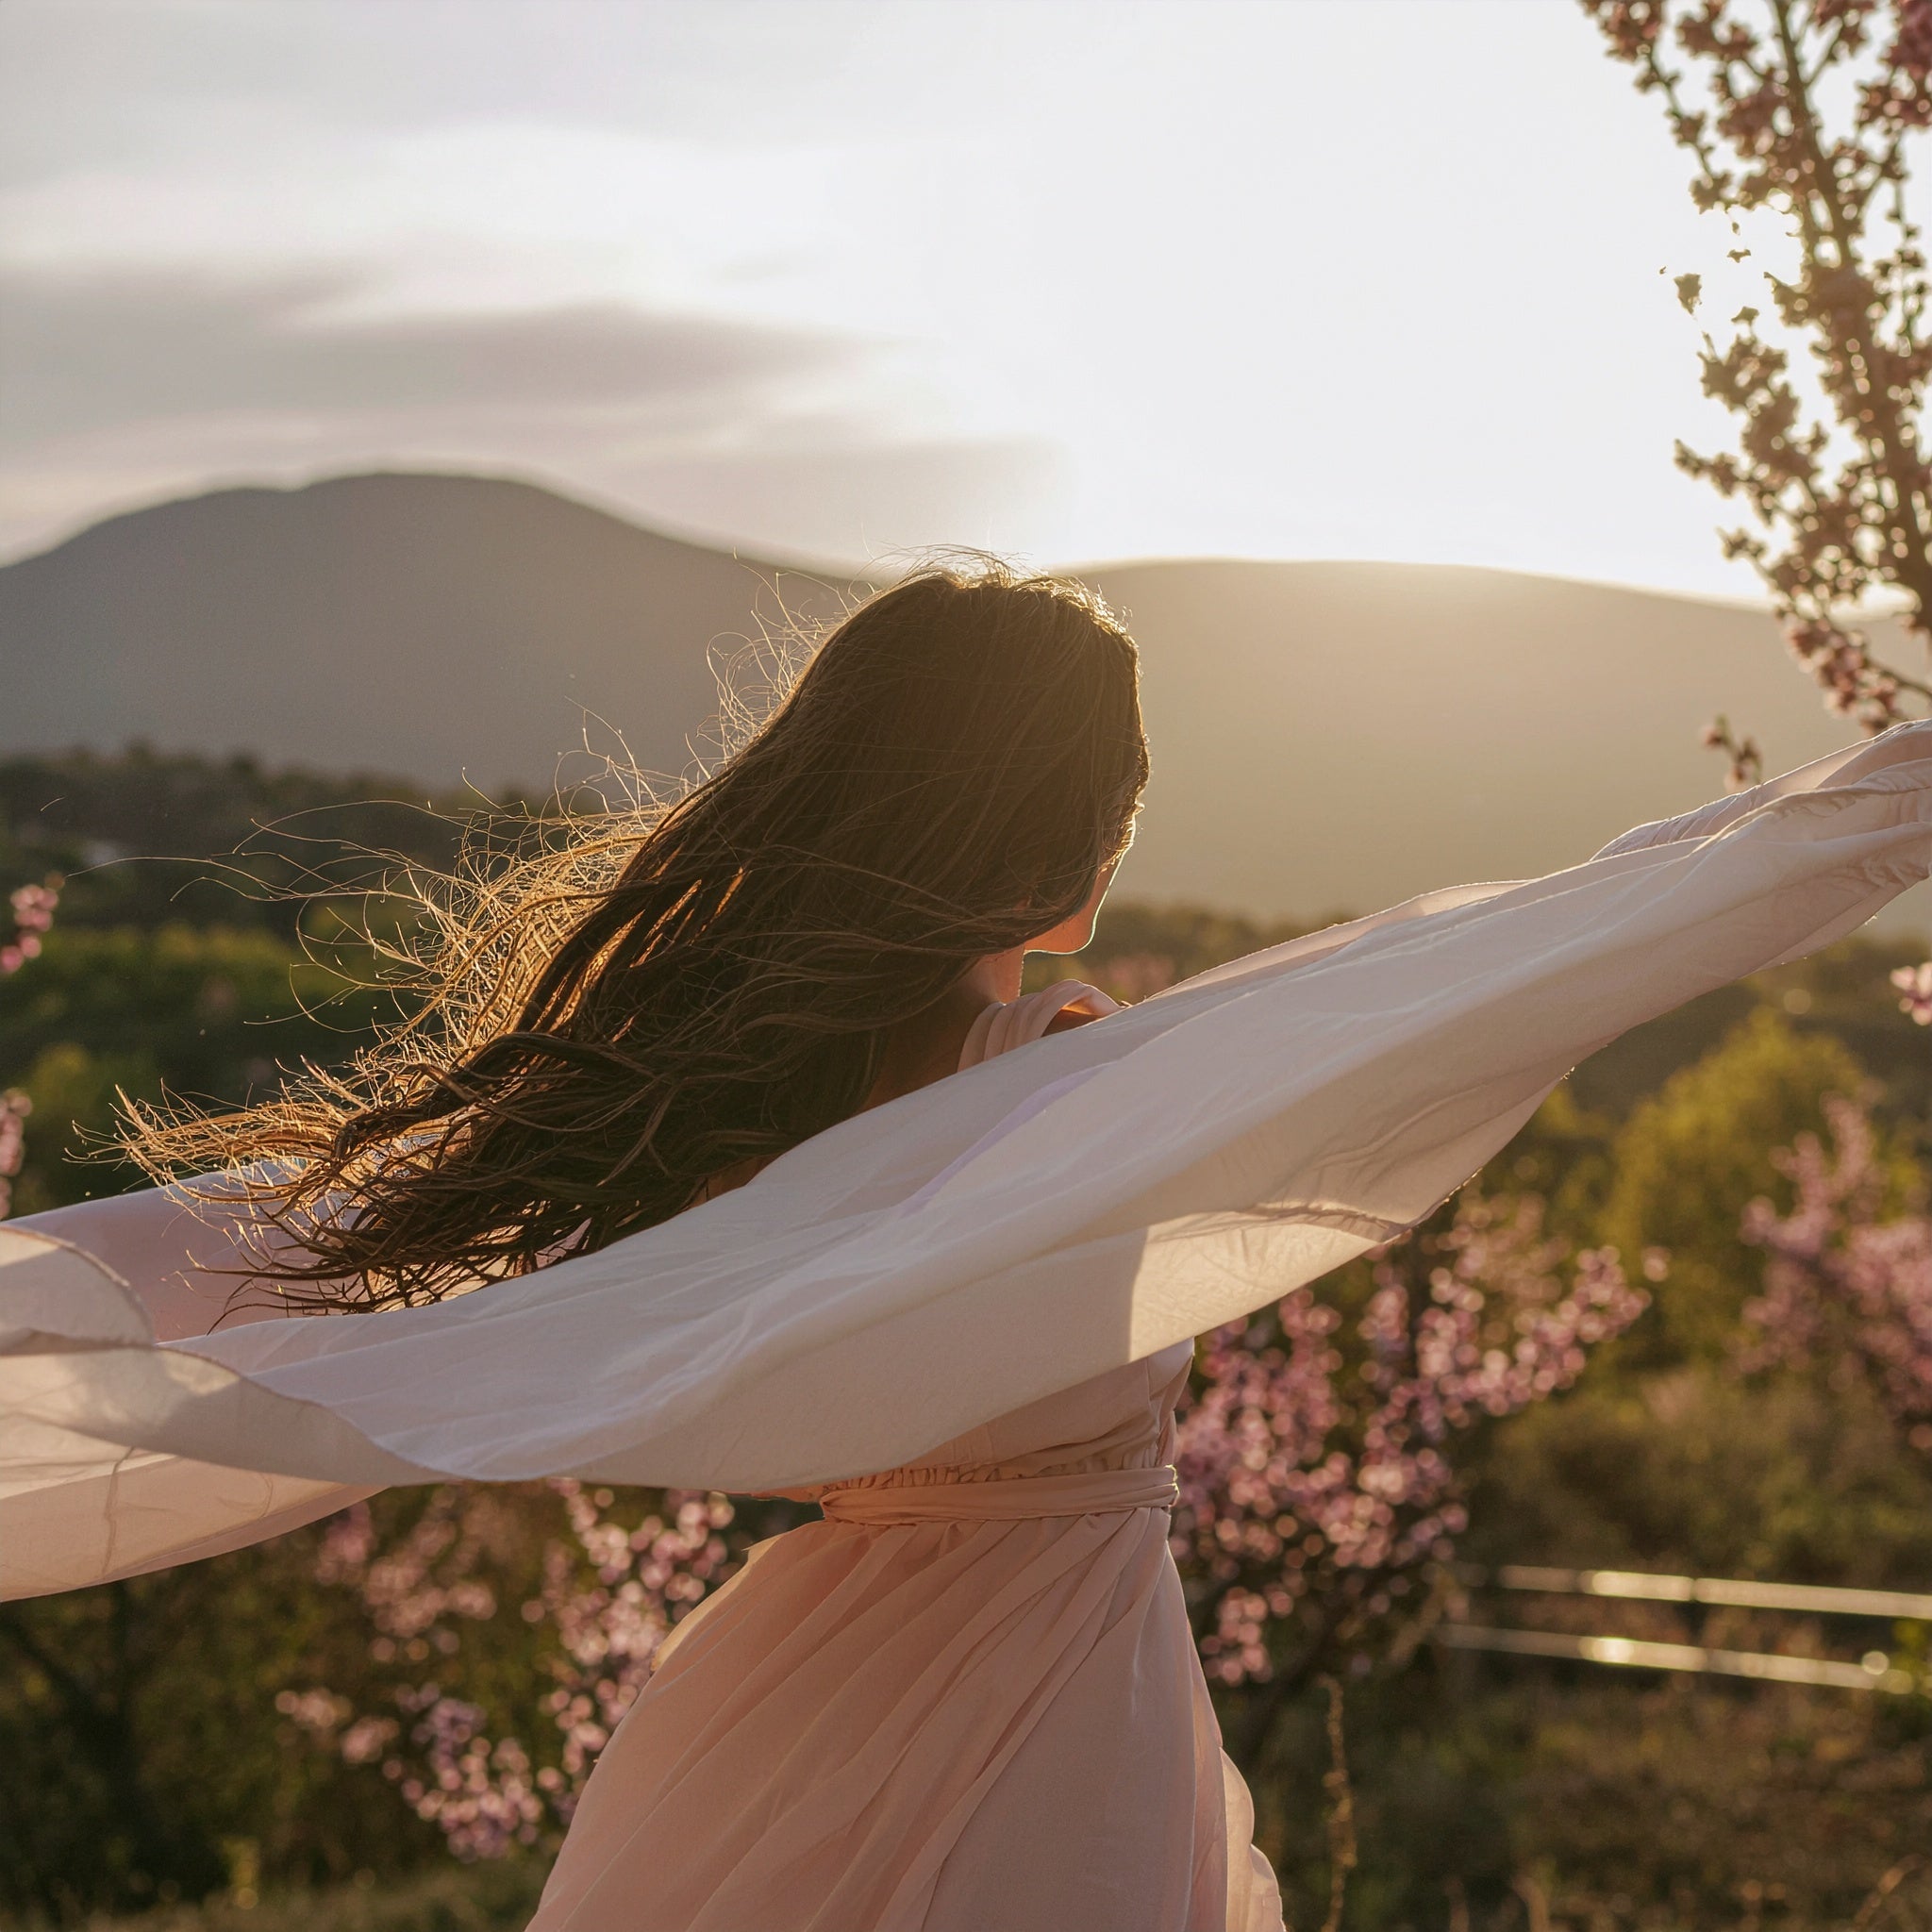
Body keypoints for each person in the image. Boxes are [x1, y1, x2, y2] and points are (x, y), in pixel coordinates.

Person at [8, 559, 1932, 1930]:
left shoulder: (719, 1107)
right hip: (1051, 1696)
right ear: (1079, 846)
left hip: (802, 1687)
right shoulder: (1061, 1094)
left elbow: (275, 1248)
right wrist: (1869, 814)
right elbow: (1492, 968)